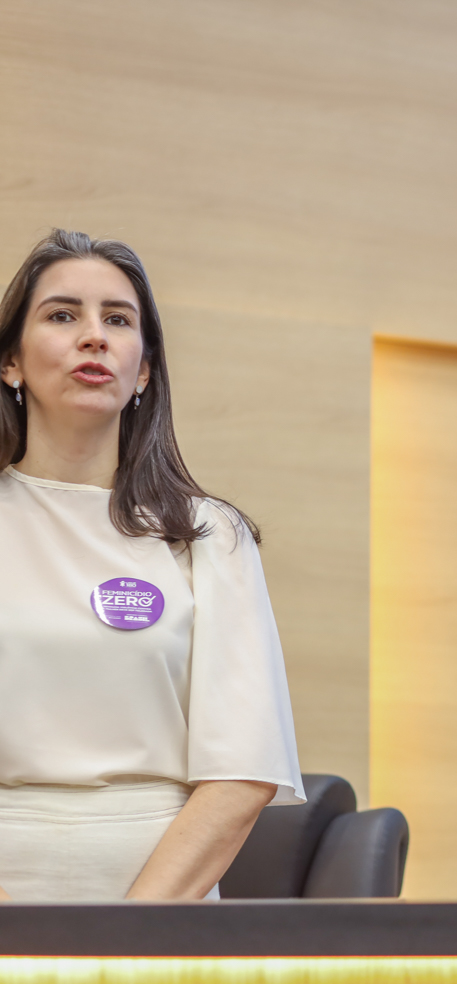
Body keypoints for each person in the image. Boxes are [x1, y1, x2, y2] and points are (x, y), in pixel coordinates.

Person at [0, 230, 302, 901]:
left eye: (118, 320)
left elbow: (243, 772)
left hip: (164, 907)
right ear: (10, 362)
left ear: (142, 371)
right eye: (62, 315)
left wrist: (131, 939)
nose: (93, 336)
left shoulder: (208, 534)